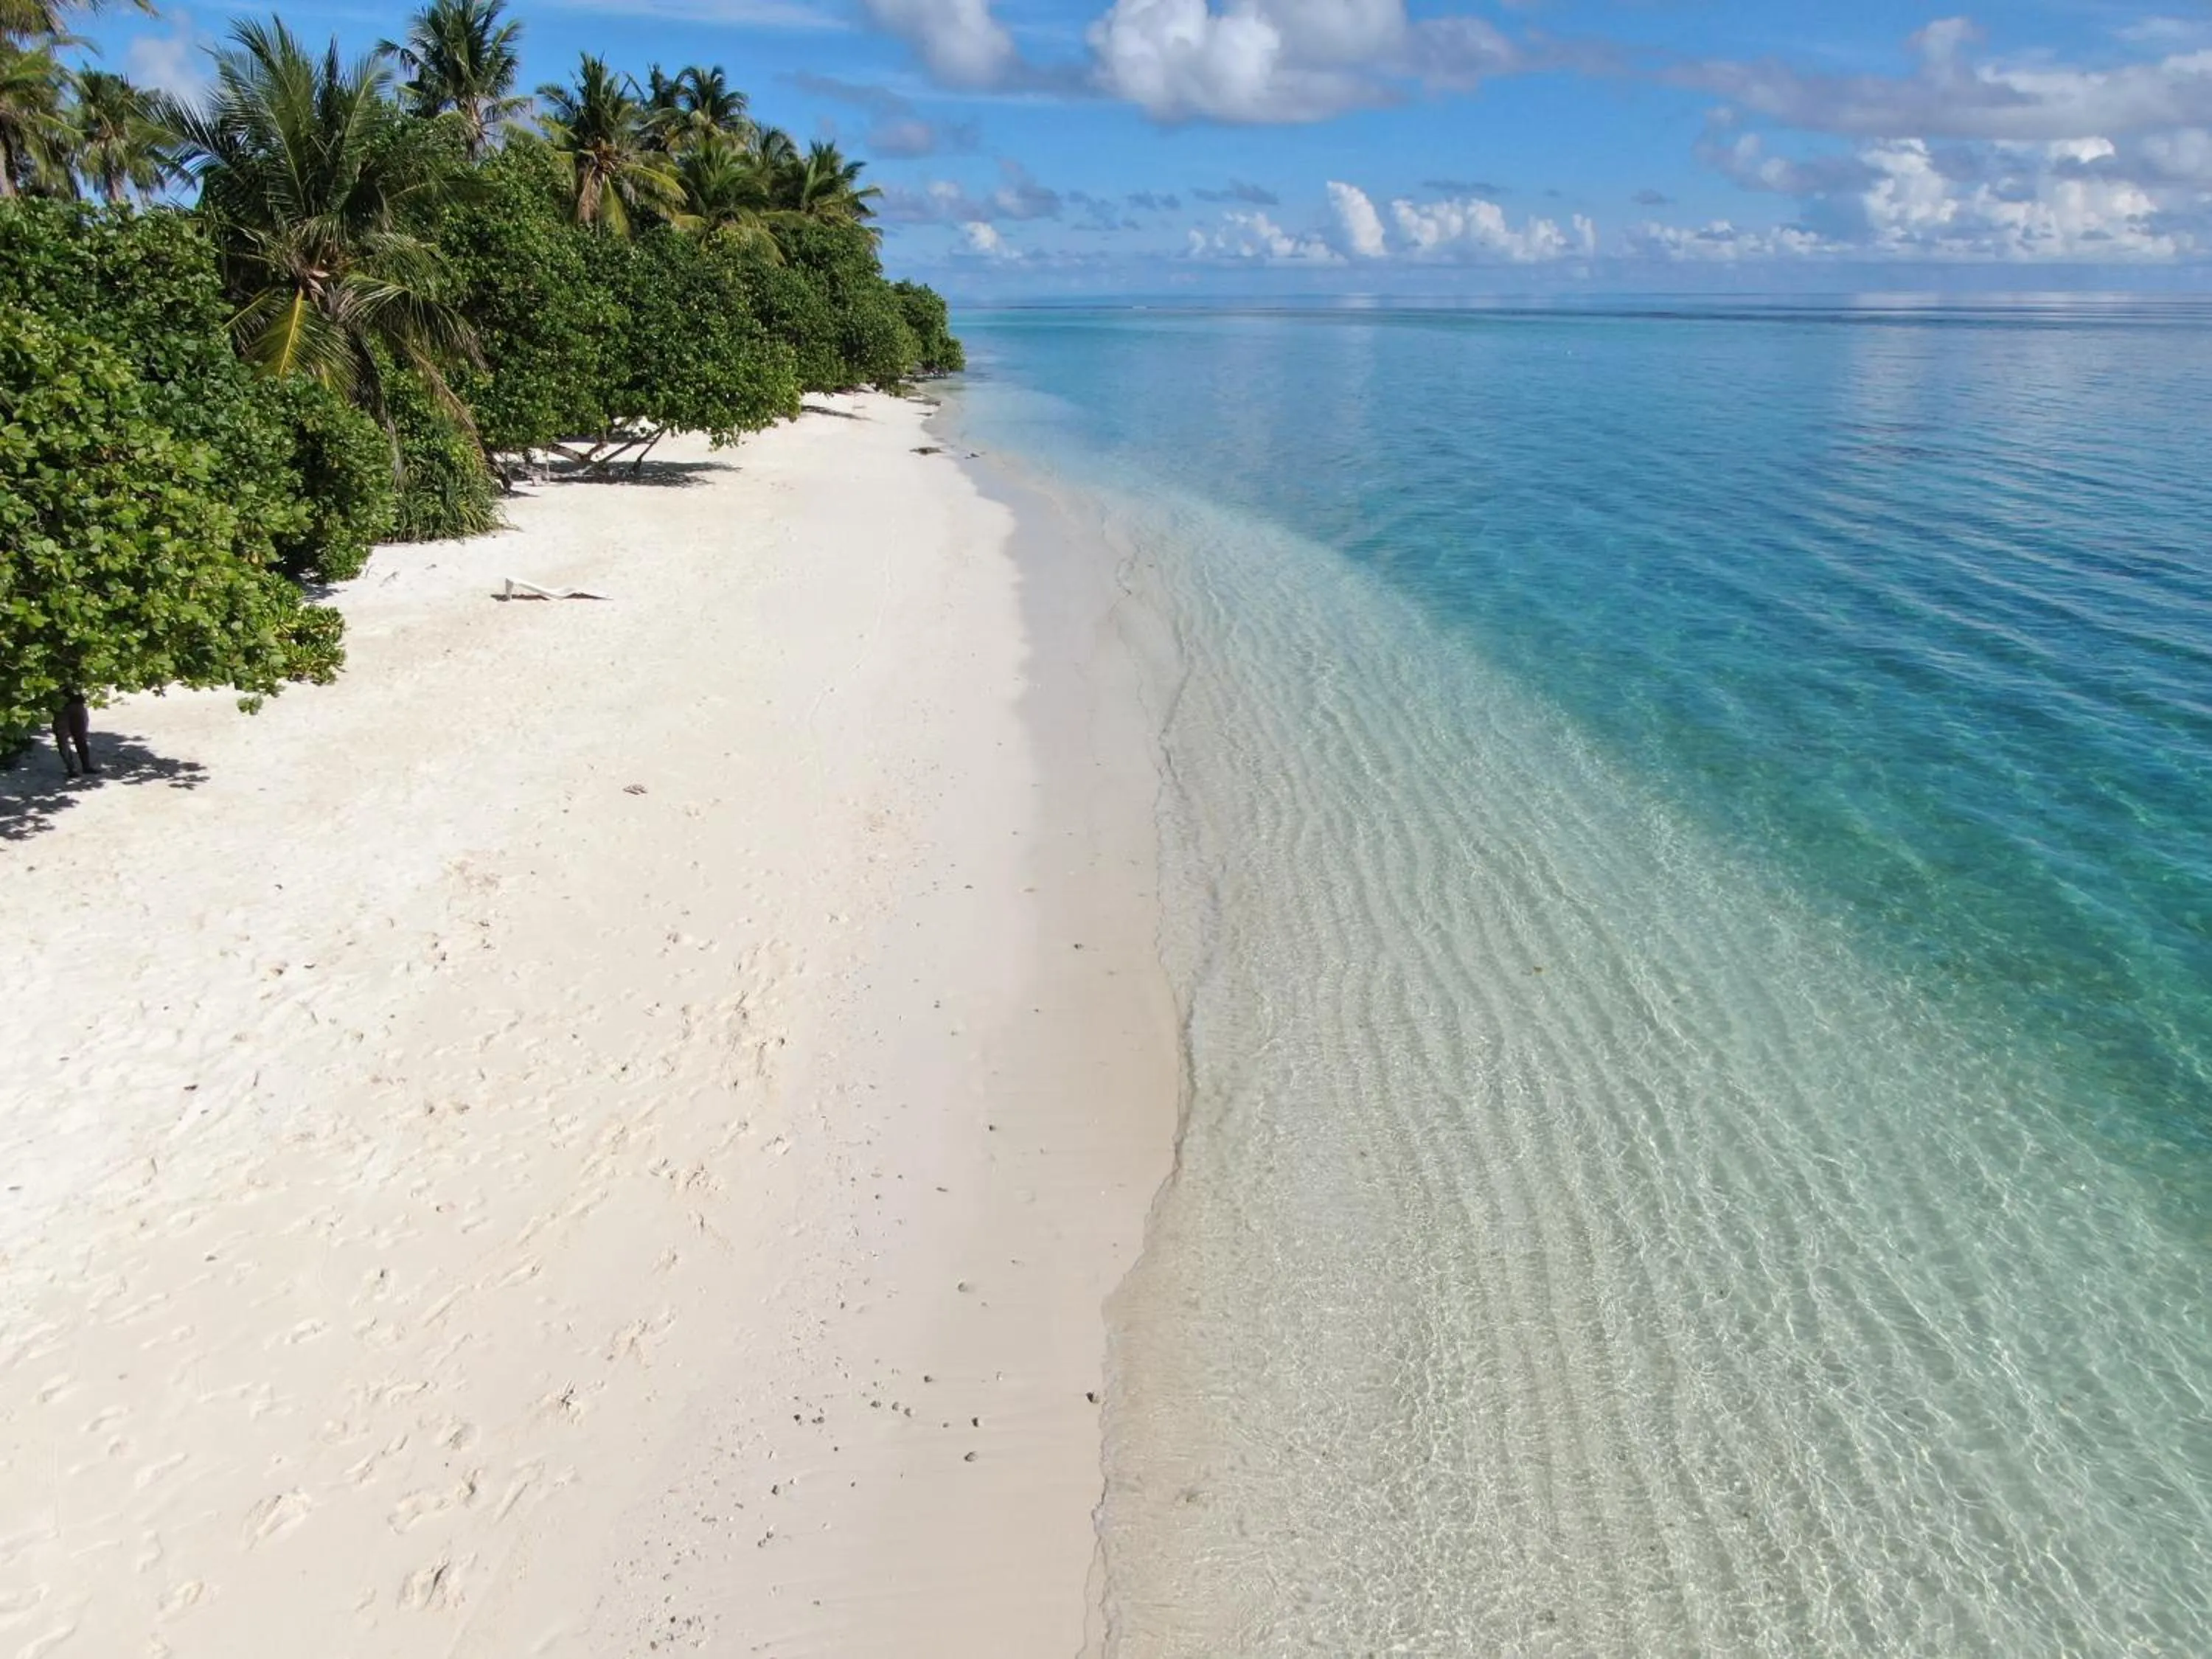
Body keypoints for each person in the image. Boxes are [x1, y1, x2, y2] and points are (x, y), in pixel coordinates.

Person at [53, 690, 96, 779]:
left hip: (75, 704)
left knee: (79, 738)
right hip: (61, 707)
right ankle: (72, 769)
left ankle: (82, 767)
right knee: (64, 740)